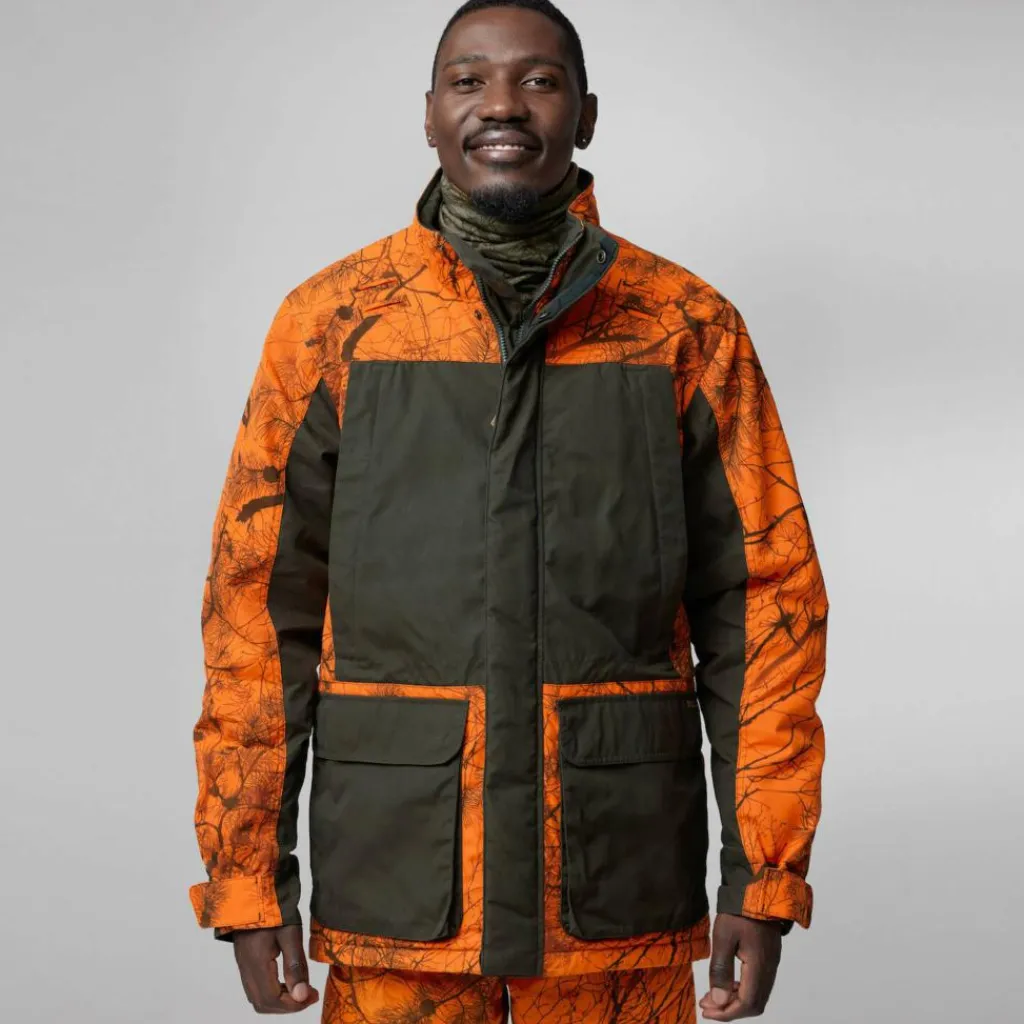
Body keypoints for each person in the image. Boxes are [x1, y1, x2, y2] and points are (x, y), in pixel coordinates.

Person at [188, 1, 830, 1021]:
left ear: (586, 114)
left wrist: (764, 875)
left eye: (538, 80)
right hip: (401, 899)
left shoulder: (684, 329)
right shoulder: (335, 326)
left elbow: (764, 604)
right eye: (469, 80)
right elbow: (258, 612)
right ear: (429, 115)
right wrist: (245, 877)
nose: (502, 105)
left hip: (614, 907)